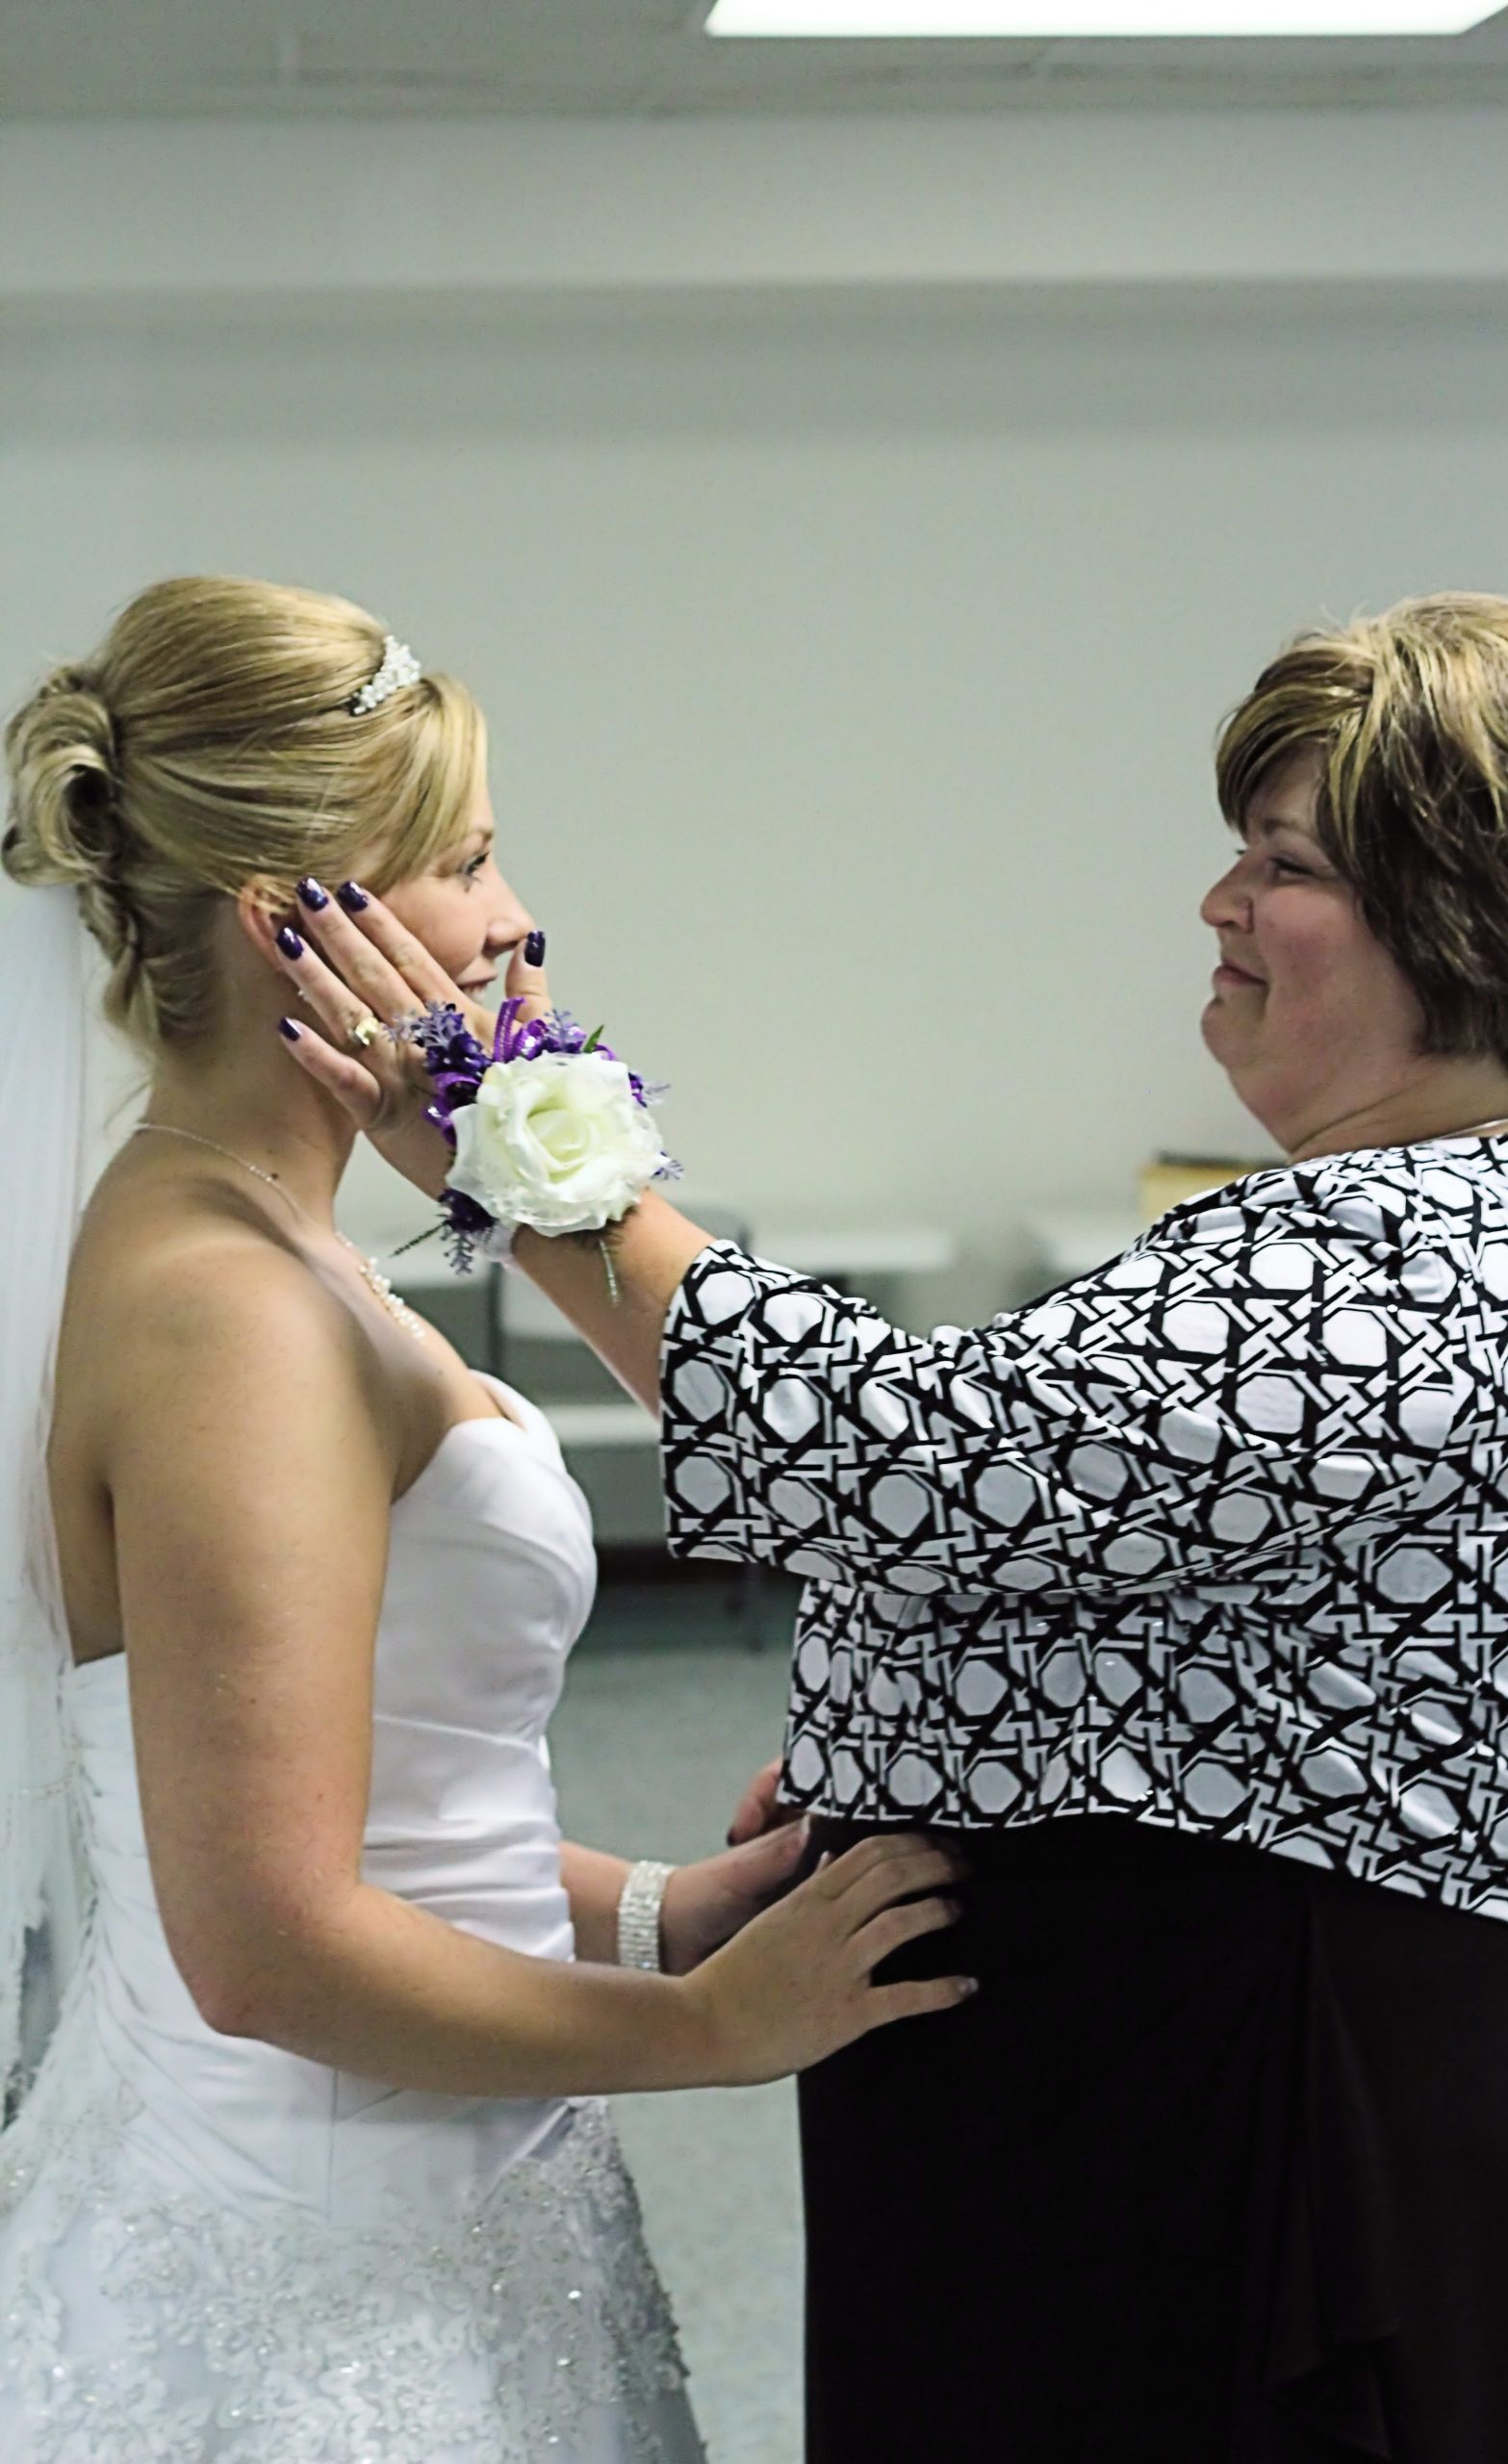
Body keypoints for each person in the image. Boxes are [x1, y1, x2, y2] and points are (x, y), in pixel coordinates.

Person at [287, 590, 1508, 2463]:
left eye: (1280, 861)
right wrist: (908, 1722)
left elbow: (904, 1459)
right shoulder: (1445, 1206)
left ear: (1464, 924)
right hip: (1174, 2063)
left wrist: (506, 1130)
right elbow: (1125, 1549)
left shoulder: (1420, 1261)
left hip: (1267, 2122)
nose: (1215, 903)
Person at [0, 576, 973, 2464]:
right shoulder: (226, 1311)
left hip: (443, 2183)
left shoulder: (284, 1238)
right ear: (300, 921)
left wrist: (647, 1909)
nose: (519, 912)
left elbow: (387, 1810)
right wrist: (714, 2028)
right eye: (465, 854)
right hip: (317, 2266)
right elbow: (263, 1941)